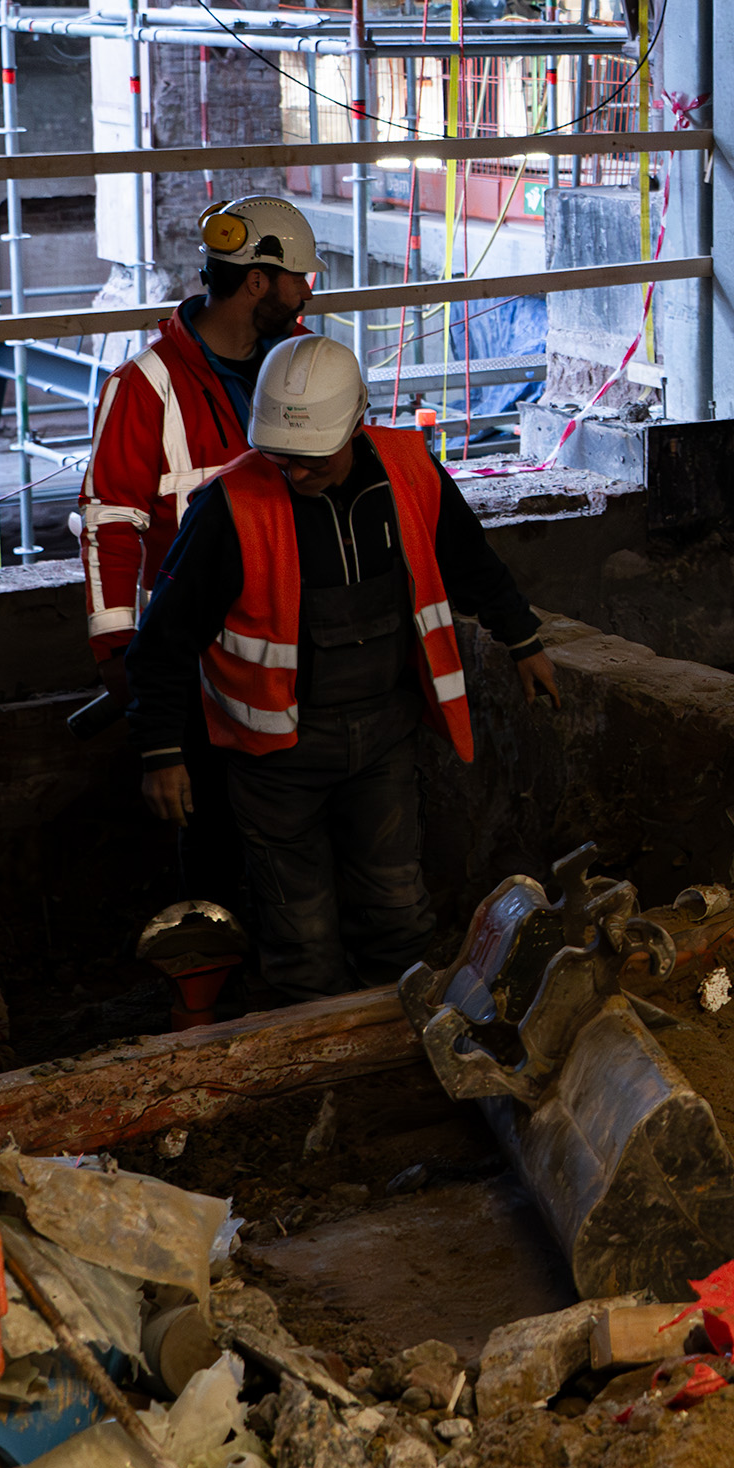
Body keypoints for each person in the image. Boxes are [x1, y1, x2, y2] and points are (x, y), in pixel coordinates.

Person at [121, 335, 562, 1001]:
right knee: (299, 932)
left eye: (311, 459)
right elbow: (163, 640)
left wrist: (523, 640)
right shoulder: (230, 508)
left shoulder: (411, 473)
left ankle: (397, 1037)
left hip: (383, 738)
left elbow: (469, 559)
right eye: (283, 458)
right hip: (276, 761)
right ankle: (319, 1059)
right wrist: (161, 750)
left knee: (397, 913)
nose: (295, 474)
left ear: (355, 424)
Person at [78, 194, 323, 659]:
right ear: (257, 281)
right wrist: (113, 646)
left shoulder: (309, 362)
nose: (307, 293)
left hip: (300, 627)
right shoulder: (144, 387)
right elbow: (111, 523)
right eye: (298, 278)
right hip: (190, 646)